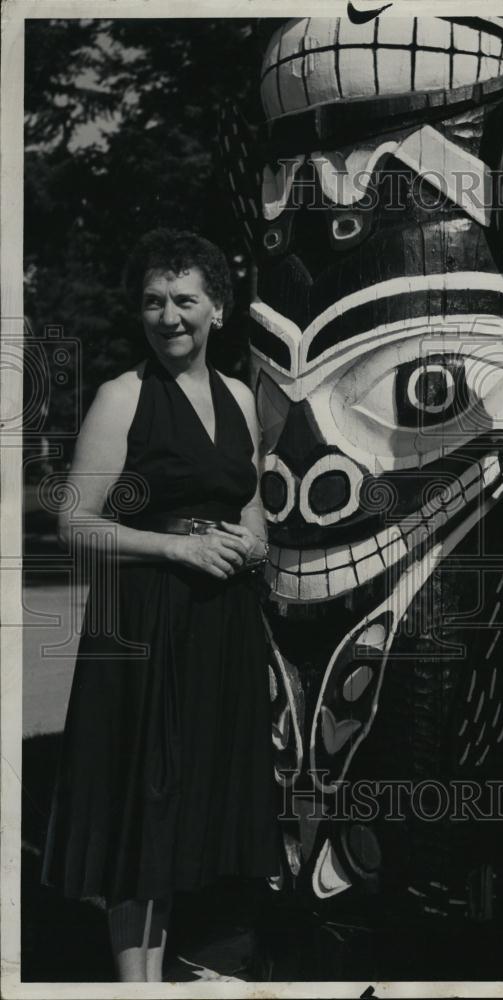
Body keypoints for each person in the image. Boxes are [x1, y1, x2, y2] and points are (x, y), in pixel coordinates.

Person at [42, 228, 281, 982]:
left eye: (185, 299)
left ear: (218, 308)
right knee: (142, 803)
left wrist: (250, 545)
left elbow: (252, 515)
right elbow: (75, 525)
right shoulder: (123, 397)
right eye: (153, 301)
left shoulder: (242, 397)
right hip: (145, 625)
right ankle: (133, 987)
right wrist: (174, 548)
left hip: (219, 625)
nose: (169, 316)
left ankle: (161, 972)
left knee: (186, 806)